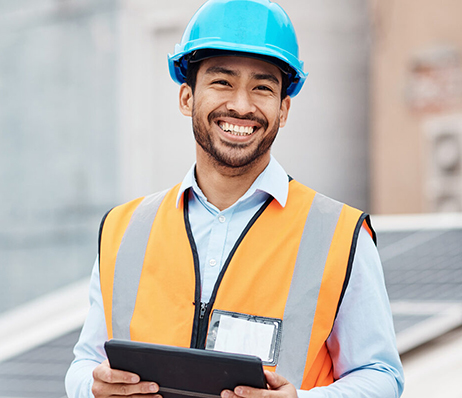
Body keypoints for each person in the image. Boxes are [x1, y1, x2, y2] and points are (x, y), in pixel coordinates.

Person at [65, 0, 404, 397]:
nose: (241, 106)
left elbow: (381, 375)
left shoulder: (340, 234)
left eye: (262, 87)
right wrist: (93, 389)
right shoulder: (124, 229)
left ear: (283, 109)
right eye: (222, 82)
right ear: (187, 98)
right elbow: (85, 363)